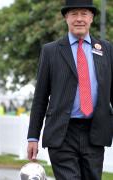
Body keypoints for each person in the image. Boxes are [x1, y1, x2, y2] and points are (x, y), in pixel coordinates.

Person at [27, 0, 113, 180]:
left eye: (84, 14)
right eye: (74, 14)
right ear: (66, 18)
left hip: (95, 132)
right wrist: (33, 137)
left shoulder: (106, 50)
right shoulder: (51, 51)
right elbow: (40, 97)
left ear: (91, 18)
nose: (79, 19)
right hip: (62, 132)